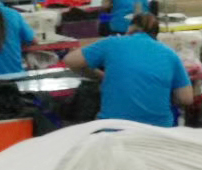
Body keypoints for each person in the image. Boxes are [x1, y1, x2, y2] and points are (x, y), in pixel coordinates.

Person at [64, 13, 193, 126]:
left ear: (130, 28)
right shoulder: (170, 54)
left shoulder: (113, 43)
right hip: (158, 130)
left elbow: (70, 61)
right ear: (156, 34)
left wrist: (99, 75)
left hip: (115, 129)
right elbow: (186, 98)